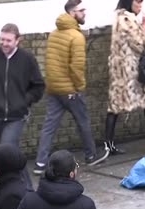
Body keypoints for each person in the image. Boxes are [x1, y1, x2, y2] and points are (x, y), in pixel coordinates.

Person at [33, 0, 109, 175]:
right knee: (83, 121)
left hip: (54, 89)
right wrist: (79, 87)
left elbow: (50, 63)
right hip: (70, 90)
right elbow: (76, 67)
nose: (85, 13)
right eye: (81, 10)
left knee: (49, 126)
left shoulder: (53, 34)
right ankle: (91, 155)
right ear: (72, 13)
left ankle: (40, 163)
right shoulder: (76, 36)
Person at [0, 23, 44, 190]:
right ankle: (14, 189)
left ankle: (27, 190)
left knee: (8, 152)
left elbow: (38, 86)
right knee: (7, 155)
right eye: (1, 39)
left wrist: (23, 101)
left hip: (17, 116)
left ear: (17, 41)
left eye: (8, 40)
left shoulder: (27, 59)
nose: (4, 43)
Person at [105, 0, 145, 155]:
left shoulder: (118, 17)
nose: (141, 5)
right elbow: (141, 44)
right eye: (138, 1)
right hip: (130, 70)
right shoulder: (127, 19)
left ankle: (109, 144)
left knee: (117, 105)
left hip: (121, 69)